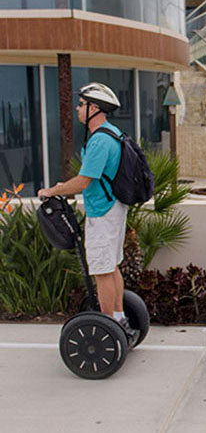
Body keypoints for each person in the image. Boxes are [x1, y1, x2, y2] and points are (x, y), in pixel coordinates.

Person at [38, 83, 132, 330]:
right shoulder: (113, 133)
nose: (78, 109)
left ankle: (109, 325)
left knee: (102, 270)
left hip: (102, 211)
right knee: (111, 266)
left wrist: (53, 190)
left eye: (81, 104)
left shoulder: (100, 140)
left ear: (94, 108)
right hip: (114, 206)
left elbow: (83, 181)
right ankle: (120, 318)